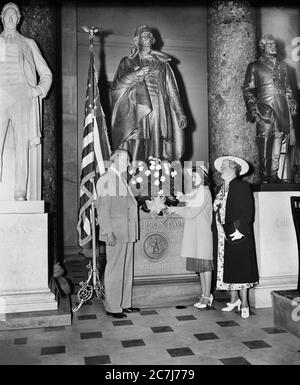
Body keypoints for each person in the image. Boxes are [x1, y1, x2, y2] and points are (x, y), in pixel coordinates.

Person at [111, 24, 187, 162]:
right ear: (136, 40)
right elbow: (116, 87)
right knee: (136, 140)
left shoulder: (163, 63)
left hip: (158, 105)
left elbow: (172, 89)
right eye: (145, 34)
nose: (149, 37)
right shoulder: (127, 62)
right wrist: (135, 74)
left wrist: (180, 112)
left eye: (150, 35)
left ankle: (156, 172)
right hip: (135, 106)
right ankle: (133, 172)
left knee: (156, 140)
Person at [0, 2, 52, 200]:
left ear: (19, 19)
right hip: (1, 95)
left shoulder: (29, 44)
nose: (11, 19)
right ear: (2, 18)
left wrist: (38, 90)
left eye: (14, 16)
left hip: (22, 96)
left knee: (22, 144)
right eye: (8, 15)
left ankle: (20, 190)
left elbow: (46, 73)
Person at [243, 34, 297, 184]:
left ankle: (273, 175)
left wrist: (291, 101)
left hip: (281, 109)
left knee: (279, 141)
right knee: (265, 142)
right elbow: (247, 90)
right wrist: (252, 107)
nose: (274, 47)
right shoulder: (254, 66)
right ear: (263, 48)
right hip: (264, 108)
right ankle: (265, 176)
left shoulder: (283, 66)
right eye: (270, 45)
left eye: (274, 44)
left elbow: (287, 89)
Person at [95, 149, 140, 318]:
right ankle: (113, 306)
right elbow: (103, 209)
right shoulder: (107, 180)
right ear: (116, 160)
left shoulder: (120, 179)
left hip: (127, 232)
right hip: (116, 232)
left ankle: (124, 303)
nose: (129, 163)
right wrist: (107, 232)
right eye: (127, 160)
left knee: (126, 268)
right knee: (115, 269)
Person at [213, 156, 259, 319]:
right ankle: (234, 300)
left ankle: (244, 302)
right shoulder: (219, 189)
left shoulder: (242, 186)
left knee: (241, 266)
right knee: (228, 266)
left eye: (224, 167)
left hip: (237, 232)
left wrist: (240, 230)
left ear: (233, 168)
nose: (221, 170)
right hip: (221, 233)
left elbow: (248, 211)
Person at [168, 164, 214, 309]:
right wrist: (180, 197)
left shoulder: (204, 191)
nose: (193, 179)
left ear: (204, 176)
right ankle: (204, 294)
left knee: (206, 266)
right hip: (196, 232)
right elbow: (187, 199)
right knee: (200, 266)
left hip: (202, 233)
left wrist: (173, 209)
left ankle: (207, 295)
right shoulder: (198, 191)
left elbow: (192, 211)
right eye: (193, 176)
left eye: (196, 176)